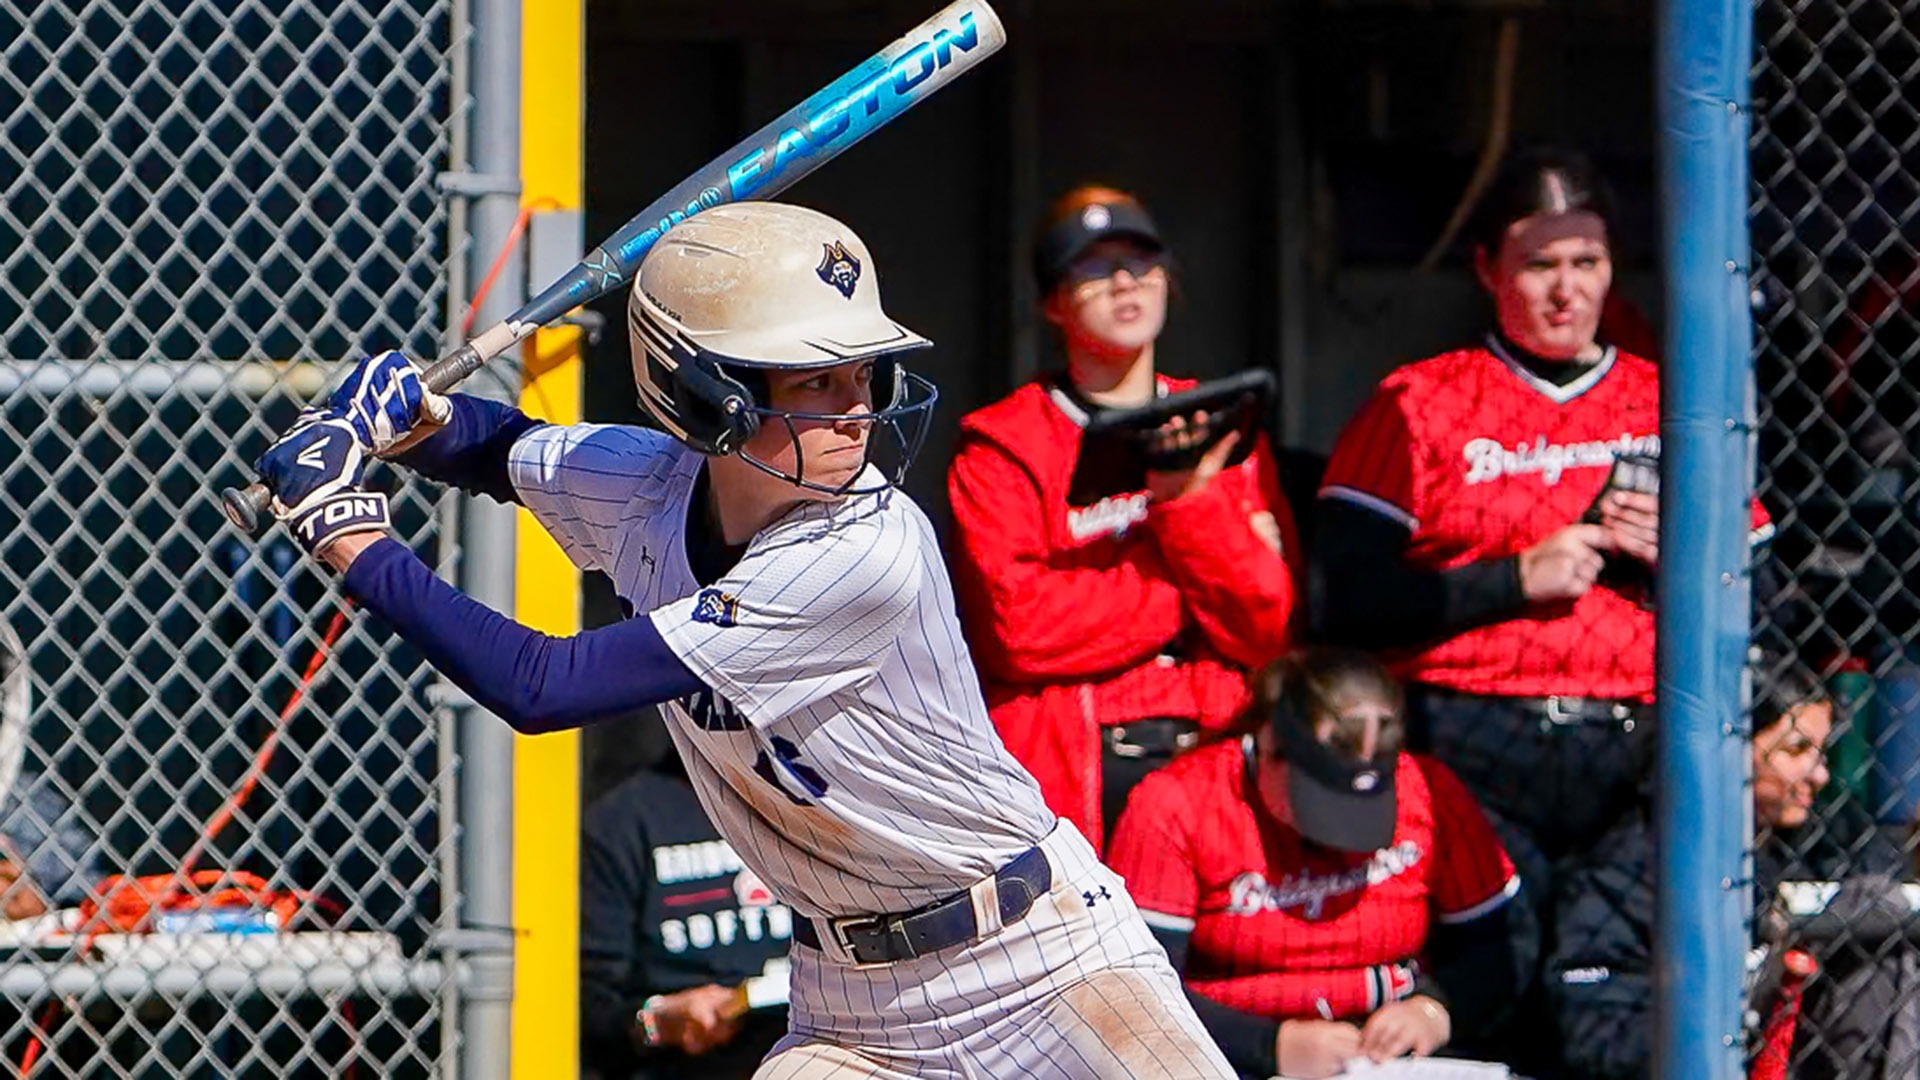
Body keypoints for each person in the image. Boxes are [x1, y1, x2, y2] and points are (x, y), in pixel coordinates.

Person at [252, 201, 1236, 1079]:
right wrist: (411, 416)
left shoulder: (865, 548)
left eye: (860, 371)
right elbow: (500, 450)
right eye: (810, 381)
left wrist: (350, 535)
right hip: (852, 1006)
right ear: (700, 391)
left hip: (1039, 959)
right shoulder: (645, 481)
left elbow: (541, 686)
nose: (854, 406)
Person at [1311, 149, 1772, 969]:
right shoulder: (1420, 400)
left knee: (1605, 992)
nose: (1567, 290)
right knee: (1497, 979)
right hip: (1467, 742)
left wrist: (1685, 568)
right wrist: (1513, 579)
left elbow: (1770, 599)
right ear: (1488, 269)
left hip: (1639, 748)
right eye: (1540, 265)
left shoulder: (1668, 400)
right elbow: (1343, 600)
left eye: (1587, 263)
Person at [947, 184, 1299, 850]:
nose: (1122, 282)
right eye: (1091, 267)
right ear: (1053, 302)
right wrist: (1192, 570)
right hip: (1070, 771)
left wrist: (1182, 509)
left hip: (1215, 753)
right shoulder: (1004, 443)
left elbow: (1266, 624)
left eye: (1140, 263)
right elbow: (1018, 629)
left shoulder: (1220, 421)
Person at [1107, 648, 1526, 1080]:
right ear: (1269, 743)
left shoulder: (1427, 790)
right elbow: (1132, 987)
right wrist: (1268, 1046)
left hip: (1388, 1058)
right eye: (1321, 798)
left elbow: (1503, 946)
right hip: (1229, 1051)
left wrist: (1435, 1009)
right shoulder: (1178, 803)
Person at [1547, 663, 1913, 1079]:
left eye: (1822, 752)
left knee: (1879, 911)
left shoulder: (1822, 836)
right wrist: (1730, 1017)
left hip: (1803, 1056)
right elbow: (1595, 1030)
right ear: (1732, 750)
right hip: (1694, 1059)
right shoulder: (1634, 860)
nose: (1820, 775)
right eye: (1795, 750)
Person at [581, 752, 792, 1079]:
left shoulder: (804, 799)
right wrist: (660, 1020)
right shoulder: (621, 820)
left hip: (809, 1049)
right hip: (682, 1063)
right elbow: (588, 1005)